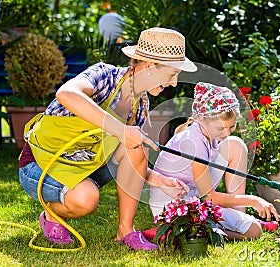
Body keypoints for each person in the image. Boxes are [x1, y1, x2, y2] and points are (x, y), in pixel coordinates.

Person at [18, 27, 195, 251]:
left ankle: (125, 231)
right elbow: (66, 94)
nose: (174, 83)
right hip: (41, 165)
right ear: (150, 66)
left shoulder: (140, 107)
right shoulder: (105, 76)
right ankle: (52, 214)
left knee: (136, 144)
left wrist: (159, 180)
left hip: (83, 164)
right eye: (171, 74)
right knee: (86, 200)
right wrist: (121, 130)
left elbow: (130, 157)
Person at [148, 82, 279, 240]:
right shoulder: (194, 142)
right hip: (171, 207)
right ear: (203, 119)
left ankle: (239, 217)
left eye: (231, 127)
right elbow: (210, 198)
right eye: (221, 129)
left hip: (192, 195)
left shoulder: (206, 133)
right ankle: (175, 232)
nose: (226, 133)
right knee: (254, 231)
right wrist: (254, 200)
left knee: (236, 145)